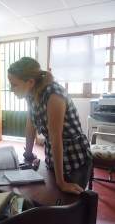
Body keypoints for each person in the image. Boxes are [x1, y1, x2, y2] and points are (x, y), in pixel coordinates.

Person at [8, 57, 92, 195]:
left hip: (75, 158)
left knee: (69, 203)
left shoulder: (54, 95)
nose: (11, 89)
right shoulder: (31, 93)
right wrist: (28, 154)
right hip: (54, 156)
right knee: (52, 197)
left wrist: (62, 182)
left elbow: (55, 138)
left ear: (30, 82)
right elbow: (31, 126)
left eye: (14, 84)